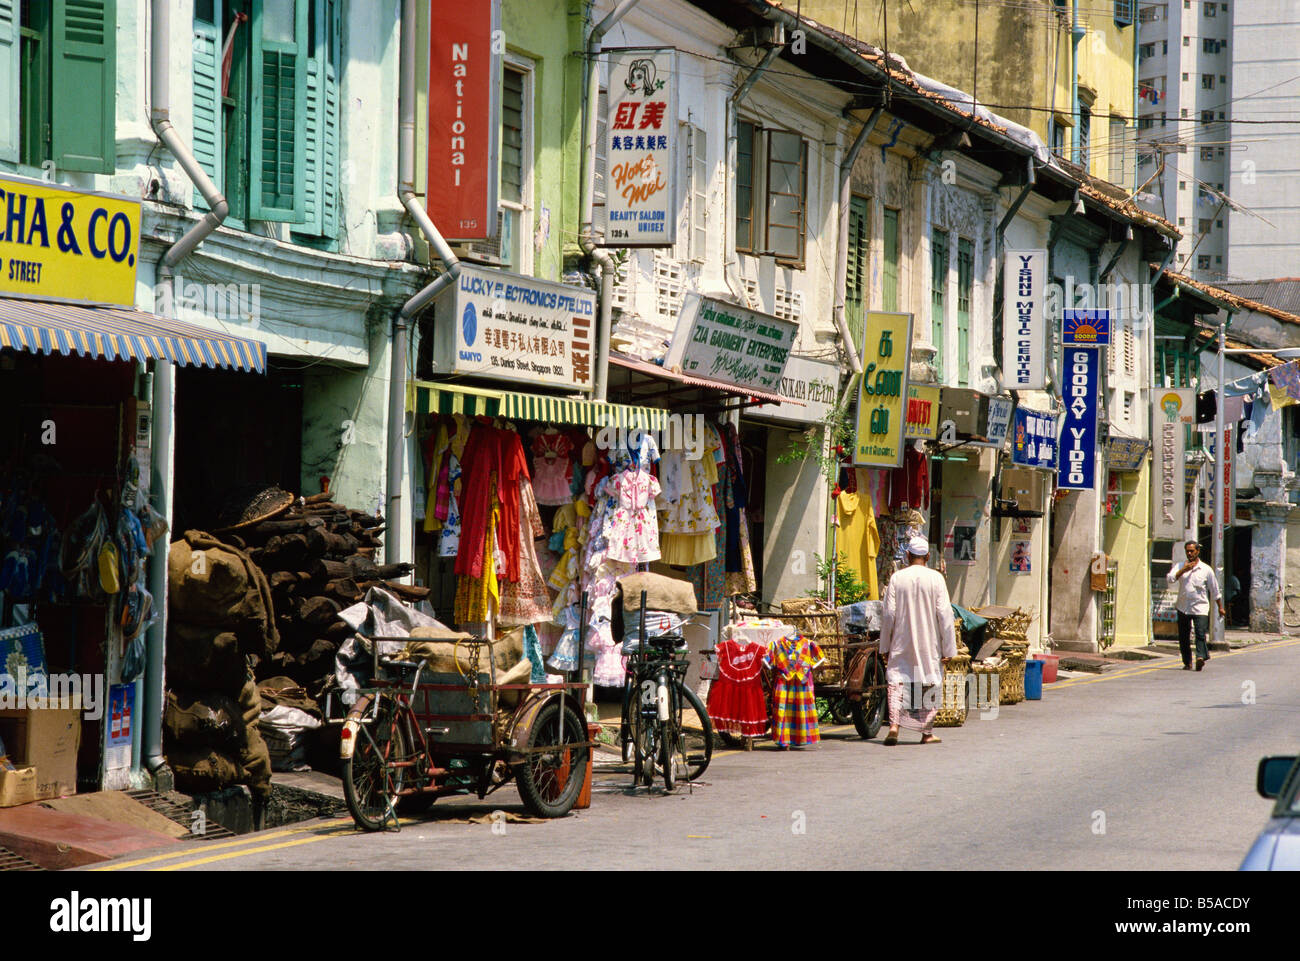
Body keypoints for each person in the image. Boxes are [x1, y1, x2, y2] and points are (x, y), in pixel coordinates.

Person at [879, 535, 957, 745]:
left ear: (907, 555)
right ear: (928, 556)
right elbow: (945, 615)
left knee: (897, 680)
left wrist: (885, 644)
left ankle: (894, 725)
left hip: (901, 640)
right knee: (929, 681)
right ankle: (926, 732)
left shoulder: (897, 578)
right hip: (929, 642)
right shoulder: (936, 578)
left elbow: (888, 613)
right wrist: (949, 649)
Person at [1166, 541, 1225, 671]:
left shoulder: (1206, 569)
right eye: (1187, 551)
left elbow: (1214, 589)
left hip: (1200, 607)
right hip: (1183, 607)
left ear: (1197, 551)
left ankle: (1200, 657)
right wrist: (1183, 570)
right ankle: (1187, 662)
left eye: (1192, 551)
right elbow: (1170, 578)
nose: (1189, 553)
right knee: (1183, 637)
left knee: (1200, 633)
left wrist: (1220, 607)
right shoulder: (1180, 565)